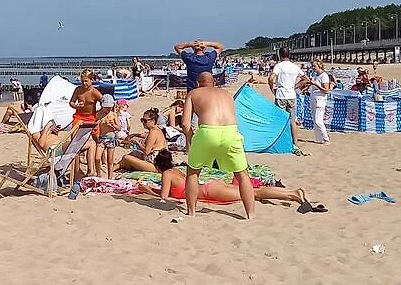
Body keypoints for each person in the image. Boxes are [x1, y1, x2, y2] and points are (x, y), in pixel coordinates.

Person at [139, 149, 317, 212]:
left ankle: (293, 194)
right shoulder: (176, 171)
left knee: (255, 194)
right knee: (255, 193)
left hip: (209, 191)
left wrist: (147, 190)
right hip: (211, 187)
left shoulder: (167, 174)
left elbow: (165, 197)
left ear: (158, 165)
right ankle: (292, 193)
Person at [183, 71, 254, 218]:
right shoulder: (227, 94)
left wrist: (191, 139)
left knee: (193, 172)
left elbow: (185, 124)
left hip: (208, 131)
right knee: (242, 175)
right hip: (231, 132)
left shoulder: (193, 93)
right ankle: (250, 214)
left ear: (197, 83)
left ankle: (191, 211)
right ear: (214, 83)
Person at [69, 70, 103, 174]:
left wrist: (100, 115)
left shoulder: (95, 92)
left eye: (86, 81)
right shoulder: (78, 90)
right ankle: (77, 169)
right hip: (79, 116)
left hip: (91, 117)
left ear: (92, 80)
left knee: (97, 140)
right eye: (82, 81)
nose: (84, 83)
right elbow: (71, 102)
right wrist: (76, 106)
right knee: (74, 140)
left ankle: (93, 167)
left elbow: (105, 103)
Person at [117, 108, 169, 173]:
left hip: (155, 165)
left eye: (145, 121)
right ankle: (114, 167)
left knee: (126, 157)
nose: (143, 123)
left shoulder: (153, 132)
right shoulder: (157, 129)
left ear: (153, 121)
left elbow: (146, 151)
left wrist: (137, 143)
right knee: (133, 153)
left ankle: (113, 168)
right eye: (142, 120)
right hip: (159, 161)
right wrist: (134, 135)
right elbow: (145, 135)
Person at [268, 48, 303, 144]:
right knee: (292, 120)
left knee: (279, 119)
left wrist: (272, 88)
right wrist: (295, 86)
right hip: (291, 95)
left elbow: (271, 78)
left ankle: (280, 141)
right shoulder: (294, 66)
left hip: (281, 94)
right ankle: (295, 142)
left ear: (280, 55)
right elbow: (306, 79)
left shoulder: (279, 66)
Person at [306, 59, 333, 144]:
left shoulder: (324, 76)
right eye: (312, 66)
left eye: (314, 66)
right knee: (315, 120)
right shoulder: (316, 75)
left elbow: (326, 90)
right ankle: (319, 138)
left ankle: (326, 138)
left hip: (320, 100)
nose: (313, 68)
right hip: (314, 98)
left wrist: (316, 84)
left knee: (318, 120)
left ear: (319, 65)